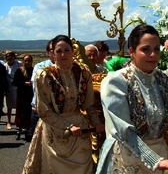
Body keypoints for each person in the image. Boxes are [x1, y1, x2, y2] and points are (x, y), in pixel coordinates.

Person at [96, 24, 168, 174]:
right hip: (126, 159)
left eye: (156, 49)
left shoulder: (167, 82)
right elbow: (124, 131)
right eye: (146, 49)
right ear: (131, 51)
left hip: (162, 159)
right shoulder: (116, 82)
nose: (153, 54)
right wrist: (155, 161)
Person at [22, 35, 104, 174]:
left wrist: (96, 123)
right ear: (52, 53)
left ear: (73, 51)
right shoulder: (44, 75)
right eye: (58, 51)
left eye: (66, 50)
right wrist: (68, 126)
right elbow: (43, 110)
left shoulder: (83, 72)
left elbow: (89, 104)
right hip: (55, 130)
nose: (63, 54)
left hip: (80, 133)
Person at [29, 39, 54, 139]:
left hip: (60, 114)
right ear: (48, 53)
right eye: (53, 49)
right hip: (40, 111)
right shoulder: (40, 67)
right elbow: (38, 88)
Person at [12, 54, 34, 141]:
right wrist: (24, 83)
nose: (27, 62)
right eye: (25, 60)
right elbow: (15, 82)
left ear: (31, 61)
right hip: (21, 96)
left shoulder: (33, 70)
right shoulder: (19, 70)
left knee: (29, 113)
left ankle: (29, 130)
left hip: (31, 95)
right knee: (21, 113)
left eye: (29, 60)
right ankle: (20, 129)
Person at [4, 50, 22, 129]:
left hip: (19, 87)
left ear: (14, 56)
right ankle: (8, 122)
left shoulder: (18, 64)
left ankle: (19, 121)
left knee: (19, 105)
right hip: (10, 88)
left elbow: (22, 73)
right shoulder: (5, 66)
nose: (9, 57)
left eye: (11, 56)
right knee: (9, 106)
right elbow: (5, 77)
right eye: (7, 56)